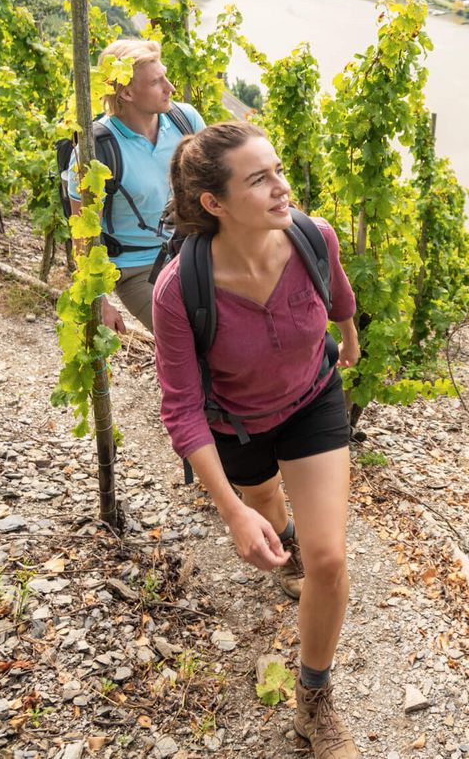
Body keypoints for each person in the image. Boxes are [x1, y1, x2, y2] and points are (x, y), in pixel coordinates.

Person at [152, 121, 362, 759]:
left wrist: (349, 339)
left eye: (278, 170)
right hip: (235, 424)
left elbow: (340, 297)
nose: (282, 187)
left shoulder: (311, 236)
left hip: (312, 402)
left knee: (327, 559)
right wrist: (232, 510)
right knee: (267, 511)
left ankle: (313, 701)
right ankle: (280, 531)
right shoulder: (177, 293)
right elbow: (182, 409)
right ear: (214, 204)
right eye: (260, 179)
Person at [62, 38, 203, 335]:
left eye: (165, 76)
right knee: (189, 338)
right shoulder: (95, 151)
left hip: (192, 250)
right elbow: (83, 234)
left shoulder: (185, 120)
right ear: (126, 92)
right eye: (156, 82)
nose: (170, 88)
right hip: (138, 269)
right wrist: (98, 300)